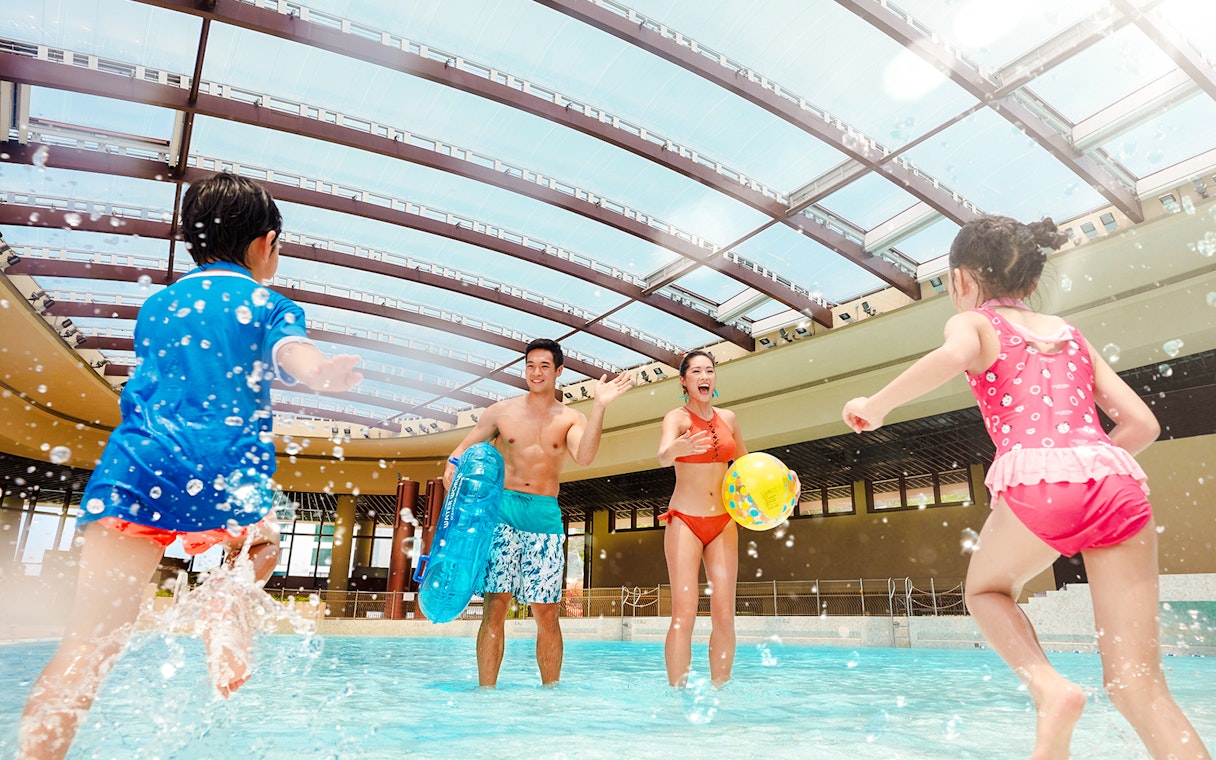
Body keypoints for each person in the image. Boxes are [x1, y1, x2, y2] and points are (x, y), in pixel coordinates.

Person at [19, 173, 364, 760]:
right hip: (223, 470)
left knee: (87, 645)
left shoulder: (158, 304)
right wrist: (321, 371)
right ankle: (225, 604)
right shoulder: (268, 302)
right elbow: (290, 353)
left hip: (135, 469)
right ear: (266, 244)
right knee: (262, 544)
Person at [841, 215, 1209, 760]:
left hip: (1038, 482)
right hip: (1116, 483)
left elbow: (950, 360)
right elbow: (1143, 426)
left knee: (985, 592)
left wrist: (874, 406)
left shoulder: (977, 325)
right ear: (1032, 282)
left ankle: (1048, 687)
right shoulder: (1071, 334)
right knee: (1139, 686)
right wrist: (1087, 465)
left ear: (960, 281)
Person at [444, 338, 632, 687]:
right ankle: (486, 693)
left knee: (546, 612)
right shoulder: (501, 412)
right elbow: (462, 450)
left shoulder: (571, 418)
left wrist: (600, 407)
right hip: (502, 512)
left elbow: (586, 456)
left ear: (559, 372)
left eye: (545, 366)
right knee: (494, 606)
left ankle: (551, 694)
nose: (536, 372)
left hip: (544, 517)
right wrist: (453, 468)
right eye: (531, 365)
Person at [655, 350, 746, 687]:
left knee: (724, 615)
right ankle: (676, 694)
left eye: (709, 370)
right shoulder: (676, 418)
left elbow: (747, 468)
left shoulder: (730, 419)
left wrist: (783, 485)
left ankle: (720, 691)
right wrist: (676, 449)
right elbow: (663, 455)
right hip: (685, 521)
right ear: (684, 380)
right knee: (684, 614)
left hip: (723, 522)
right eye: (695, 371)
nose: (704, 376)